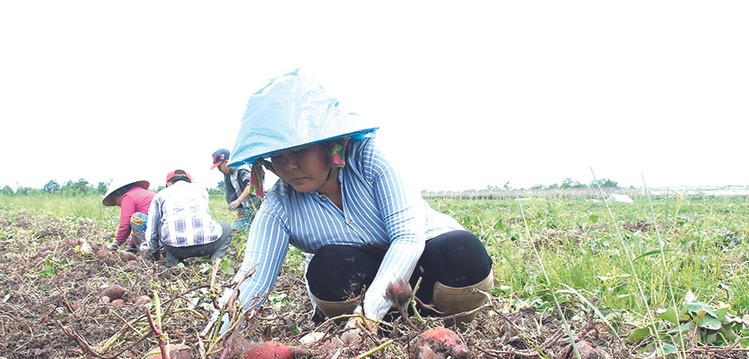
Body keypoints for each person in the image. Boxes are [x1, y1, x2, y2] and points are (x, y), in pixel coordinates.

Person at [224, 70, 493, 331]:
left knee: (462, 251)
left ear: (331, 144)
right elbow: (253, 276)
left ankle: (443, 326)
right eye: (278, 157)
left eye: (300, 150)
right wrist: (218, 333)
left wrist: (368, 316)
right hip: (363, 280)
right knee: (327, 267)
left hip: (424, 267)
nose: (290, 166)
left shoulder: (369, 161)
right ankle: (375, 331)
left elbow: (408, 239)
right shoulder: (279, 205)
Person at [144, 169, 233, 267]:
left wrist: (155, 253)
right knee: (226, 227)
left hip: (176, 249)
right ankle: (215, 261)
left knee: (163, 226)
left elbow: (152, 232)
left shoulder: (160, 195)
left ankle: (174, 264)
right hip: (207, 246)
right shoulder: (201, 190)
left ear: (169, 184)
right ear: (189, 181)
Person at [211, 148, 262, 231]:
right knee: (235, 232)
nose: (219, 170)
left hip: (256, 207)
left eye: (219, 166)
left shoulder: (242, 170)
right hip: (245, 210)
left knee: (256, 230)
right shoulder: (229, 175)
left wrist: (238, 201)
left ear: (227, 162)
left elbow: (251, 185)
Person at [102, 178, 155, 249]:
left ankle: (148, 250)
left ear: (120, 193)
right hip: (164, 230)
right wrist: (131, 246)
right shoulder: (144, 193)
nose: (117, 204)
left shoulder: (127, 196)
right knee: (136, 220)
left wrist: (114, 245)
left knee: (136, 217)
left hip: (155, 231)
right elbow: (139, 229)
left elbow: (125, 225)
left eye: (114, 200)